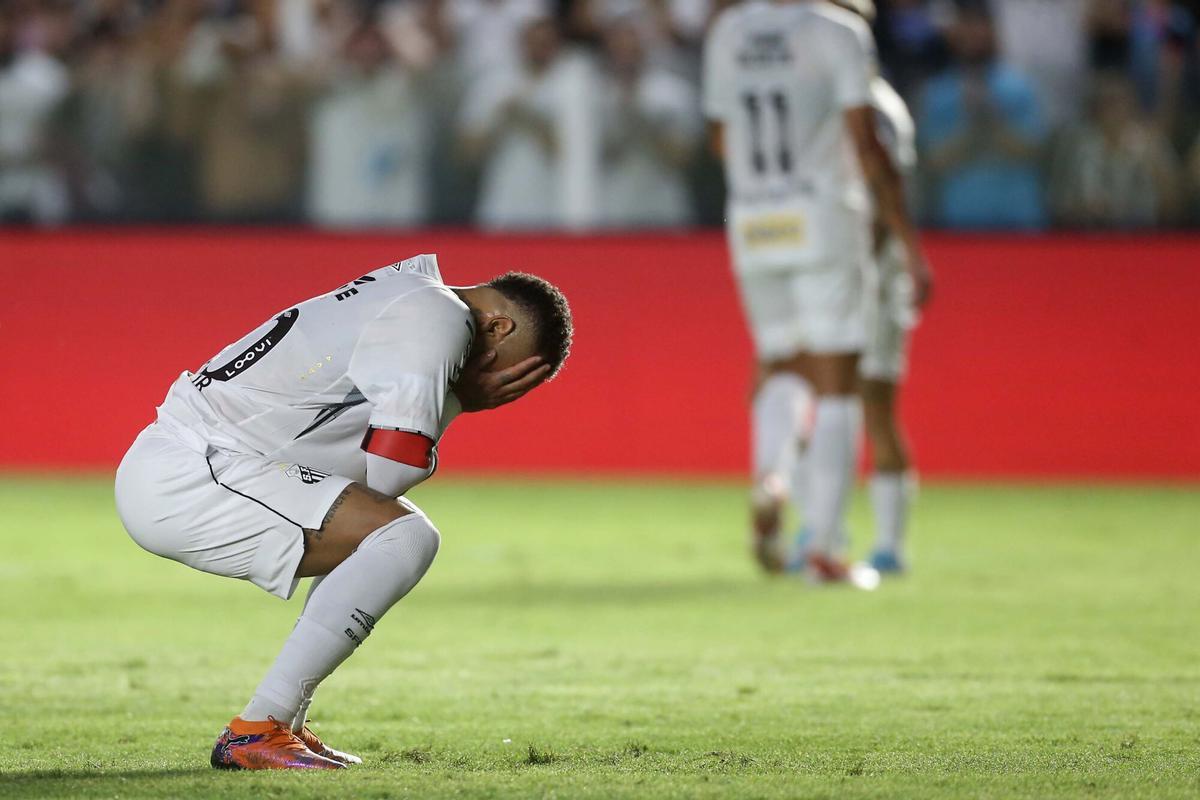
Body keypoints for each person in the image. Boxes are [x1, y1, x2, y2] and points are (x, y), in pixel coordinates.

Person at [114, 255, 572, 769]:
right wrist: (461, 402)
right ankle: (256, 730)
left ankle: (278, 722)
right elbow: (389, 475)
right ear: (498, 327)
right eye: (511, 375)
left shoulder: (411, 294)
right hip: (193, 473)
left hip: (191, 461)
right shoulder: (440, 319)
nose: (499, 388)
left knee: (380, 532)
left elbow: (352, 469)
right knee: (405, 538)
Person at [702, 0, 930, 584]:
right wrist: (907, 240)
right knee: (838, 383)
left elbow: (721, 138)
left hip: (753, 220)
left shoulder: (729, 30)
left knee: (782, 363)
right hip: (823, 216)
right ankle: (825, 548)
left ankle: (772, 479)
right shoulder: (839, 32)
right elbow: (866, 141)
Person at [918, 2, 1047, 230]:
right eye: (966, 27)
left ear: (992, 31)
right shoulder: (937, 93)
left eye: (979, 26)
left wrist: (993, 119)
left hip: (1019, 221)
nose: (973, 35)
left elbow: (1033, 151)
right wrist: (973, 128)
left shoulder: (1020, 87)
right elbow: (935, 160)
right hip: (960, 221)